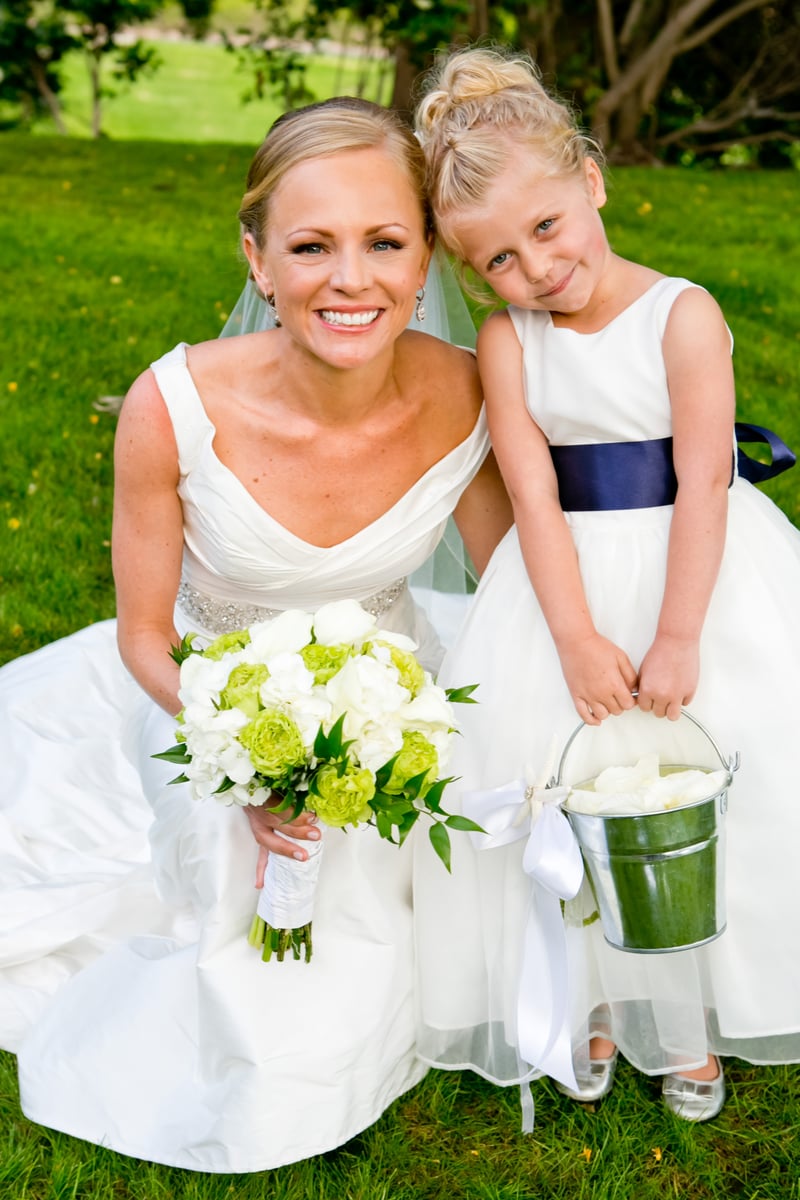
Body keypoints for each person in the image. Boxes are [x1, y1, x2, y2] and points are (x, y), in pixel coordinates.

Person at [0, 96, 512, 1171]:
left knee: (418, 891)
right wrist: (240, 757)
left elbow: (510, 584)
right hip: (204, 704)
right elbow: (145, 638)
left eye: (384, 242)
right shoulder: (170, 407)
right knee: (246, 944)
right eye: (311, 246)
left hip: (393, 699)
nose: (350, 279)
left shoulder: (469, 393)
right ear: (258, 260)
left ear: (426, 256)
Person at [411, 47, 800, 1124]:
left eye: (546, 227)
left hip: (695, 574)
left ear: (590, 180)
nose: (535, 269)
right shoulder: (507, 343)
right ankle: (585, 993)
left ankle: (695, 1017)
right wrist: (575, 638)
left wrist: (676, 637)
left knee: (704, 770)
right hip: (562, 583)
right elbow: (532, 498)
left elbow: (705, 482)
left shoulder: (681, 314)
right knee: (559, 770)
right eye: (497, 259)